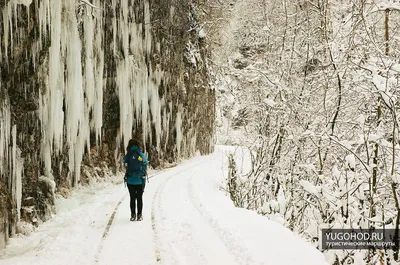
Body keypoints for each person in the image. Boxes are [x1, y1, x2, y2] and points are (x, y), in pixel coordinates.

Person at [123, 139, 148, 221]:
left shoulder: (128, 155)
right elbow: (146, 164)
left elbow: (125, 164)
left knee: (132, 198)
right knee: (139, 198)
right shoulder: (141, 154)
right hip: (140, 180)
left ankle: (133, 215)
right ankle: (139, 215)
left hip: (130, 180)